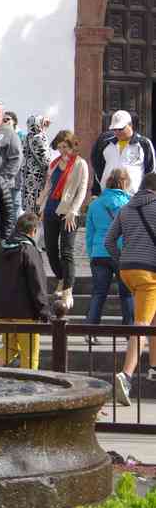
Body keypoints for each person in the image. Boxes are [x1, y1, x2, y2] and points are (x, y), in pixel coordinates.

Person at [105, 171, 156, 405]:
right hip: (149, 272)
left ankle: (154, 367)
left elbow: (109, 241)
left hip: (128, 270)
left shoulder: (126, 208)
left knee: (152, 318)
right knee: (142, 324)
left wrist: (123, 259)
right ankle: (126, 375)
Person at [0, 212, 49, 369]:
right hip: (25, 314)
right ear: (33, 231)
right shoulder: (29, 251)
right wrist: (44, 311)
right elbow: (37, 284)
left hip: (3, 311)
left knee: (9, 347)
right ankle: (29, 390)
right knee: (30, 356)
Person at [37, 130, 88, 311]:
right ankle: (61, 278)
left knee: (66, 251)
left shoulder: (80, 164)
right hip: (51, 210)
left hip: (68, 213)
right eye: (59, 148)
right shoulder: (54, 163)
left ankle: (67, 289)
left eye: (64, 147)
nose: (62, 151)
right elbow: (48, 186)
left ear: (72, 145)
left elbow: (82, 190)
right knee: (50, 250)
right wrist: (40, 206)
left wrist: (74, 211)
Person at [85, 168, 134, 336]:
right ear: (125, 183)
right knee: (127, 294)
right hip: (123, 253)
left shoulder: (95, 204)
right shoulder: (129, 204)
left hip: (99, 253)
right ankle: (129, 333)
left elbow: (89, 233)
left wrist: (92, 254)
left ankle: (90, 331)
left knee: (98, 293)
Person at [91, 110, 155, 196]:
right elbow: (98, 168)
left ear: (130, 125)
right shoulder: (105, 144)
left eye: (121, 129)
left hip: (133, 197)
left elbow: (151, 171)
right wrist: (96, 192)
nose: (117, 132)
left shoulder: (144, 144)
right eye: (114, 129)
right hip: (107, 196)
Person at [21, 115, 51, 215]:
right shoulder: (39, 138)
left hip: (27, 177)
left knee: (29, 209)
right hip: (36, 178)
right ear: (38, 125)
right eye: (44, 123)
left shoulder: (26, 137)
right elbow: (46, 160)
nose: (46, 125)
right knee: (37, 207)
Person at [2, 111, 25, 215]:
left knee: (15, 207)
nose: (4, 122)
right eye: (3, 120)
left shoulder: (21, 136)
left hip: (16, 179)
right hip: (2, 179)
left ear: (14, 121)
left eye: (7, 120)